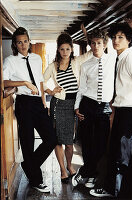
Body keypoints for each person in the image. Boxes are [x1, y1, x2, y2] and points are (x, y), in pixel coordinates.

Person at [89, 22, 132, 199]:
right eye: (114, 37)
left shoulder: (131, 60)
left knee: (124, 158)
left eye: (120, 37)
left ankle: (121, 195)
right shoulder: (120, 57)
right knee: (115, 153)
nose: (116, 40)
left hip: (131, 112)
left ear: (129, 40)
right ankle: (111, 189)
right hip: (121, 111)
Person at [3, 27, 57, 193]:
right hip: (24, 103)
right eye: (19, 42)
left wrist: (43, 103)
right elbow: (4, 82)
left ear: (29, 42)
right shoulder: (10, 61)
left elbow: (40, 81)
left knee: (51, 138)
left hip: (38, 103)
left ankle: (29, 164)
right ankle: (36, 180)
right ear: (15, 44)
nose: (23, 45)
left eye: (25, 41)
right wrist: (24, 83)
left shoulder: (36, 58)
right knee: (28, 142)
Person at [43, 24, 93, 183]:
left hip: (75, 104)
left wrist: (86, 35)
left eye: (68, 49)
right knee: (58, 139)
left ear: (72, 50)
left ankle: (70, 165)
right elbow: (41, 82)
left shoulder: (77, 61)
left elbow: (92, 51)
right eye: (62, 49)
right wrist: (50, 91)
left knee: (70, 141)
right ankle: (63, 170)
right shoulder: (53, 66)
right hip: (59, 104)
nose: (65, 52)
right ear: (58, 50)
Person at [72, 28, 116, 188]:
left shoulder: (113, 60)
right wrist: (77, 108)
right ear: (90, 44)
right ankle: (91, 175)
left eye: (99, 43)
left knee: (101, 144)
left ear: (104, 44)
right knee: (87, 142)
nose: (96, 46)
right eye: (93, 43)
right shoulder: (85, 65)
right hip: (87, 105)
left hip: (104, 107)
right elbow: (81, 88)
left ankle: (85, 171)